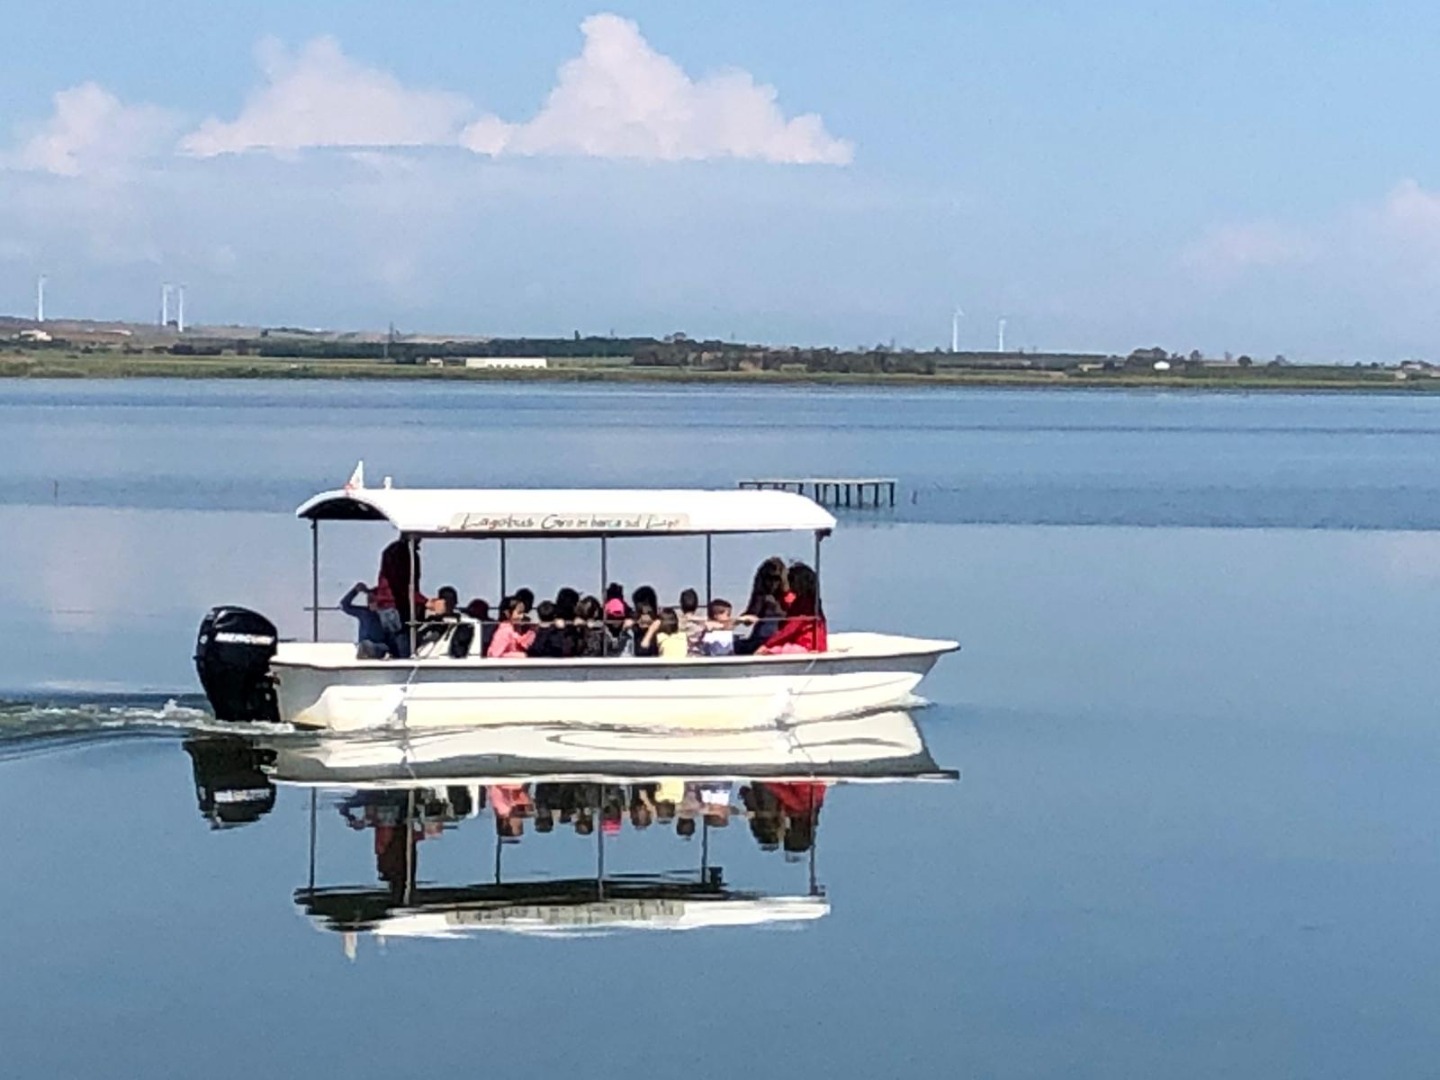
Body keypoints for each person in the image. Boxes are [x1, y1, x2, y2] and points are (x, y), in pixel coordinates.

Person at [372, 539, 426, 658]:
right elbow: (401, 584)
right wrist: (425, 602)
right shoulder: (402, 553)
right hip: (395, 607)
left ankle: (379, 651)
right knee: (403, 647)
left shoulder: (393, 550)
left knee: (394, 644)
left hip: (387, 606)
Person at [759, 562, 827, 653]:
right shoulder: (808, 601)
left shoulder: (806, 606)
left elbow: (791, 628)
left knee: (772, 651)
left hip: (807, 646)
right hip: (807, 644)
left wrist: (767, 644)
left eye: (791, 581)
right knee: (775, 650)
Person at [734, 557, 788, 656]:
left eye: (775, 579)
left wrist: (738, 620)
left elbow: (750, 617)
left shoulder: (763, 596)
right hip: (777, 639)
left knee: (734, 646)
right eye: (769, 579)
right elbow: (751, 617)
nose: (772, 583)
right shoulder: (789, 596)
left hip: (765, 639)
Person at [339, 581, 390, 659]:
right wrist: (355, 591)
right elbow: (344, 605)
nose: (372, 604)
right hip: (365, 647)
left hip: (380, 647)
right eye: (370, 601)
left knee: (374, 646)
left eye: (374, 601)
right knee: (366, 645)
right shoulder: (364, 613)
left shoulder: (386, 614)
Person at [678, 588, 707, 652]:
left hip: (681, 655)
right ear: (696, 604)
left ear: (681, 604)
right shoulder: (704, 623)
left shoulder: (676, 623)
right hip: (699, 656)